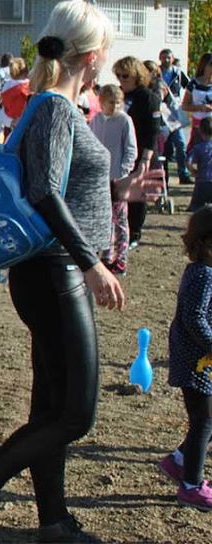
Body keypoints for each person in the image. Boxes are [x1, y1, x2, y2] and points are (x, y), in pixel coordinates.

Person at [0, 0, 128, 544]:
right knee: (75, 413)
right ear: (92, 56)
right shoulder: (54, 109)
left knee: (51, 406)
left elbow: (56, 185)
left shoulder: (54, 107)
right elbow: (45, 190)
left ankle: (53, 520)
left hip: (53, 269)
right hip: (55, 270)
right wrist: (91, 263)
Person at [162, 205, 212, 512]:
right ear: (207, 243)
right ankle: (191, 486)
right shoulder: (203, 275)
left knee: (206, 419)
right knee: (203, 421)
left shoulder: (204, 272)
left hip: (201, 361)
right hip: (195, 362)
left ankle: (179, 461)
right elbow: (194, 317)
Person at [89, 84, 138, 276]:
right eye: (111, 102)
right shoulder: (96, 120)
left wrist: (123, 172)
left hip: (117, 178)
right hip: (100, 178)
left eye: (118, 102)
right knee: (104, 218)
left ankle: (121, 258)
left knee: (120, 220)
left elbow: (131, 149)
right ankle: (107, 255)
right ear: (101, 102)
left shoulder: (125, 120)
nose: (115, 106)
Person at [115, 56, 160, 251]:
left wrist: (145, 159)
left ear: (136, 75)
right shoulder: (119, 95)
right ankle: (119, 230)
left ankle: (135, 232)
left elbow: (153, 131)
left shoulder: (148, 97)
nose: (121, 80)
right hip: (120, 151)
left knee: (137, 194)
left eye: (125, 76)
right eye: (118, 75)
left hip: (141, 151)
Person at [162, 49, 193, 185]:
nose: (166, 60)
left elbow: (190, 87)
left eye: (168, 57)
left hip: (174, 112)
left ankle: (183, 174)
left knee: (180, 144)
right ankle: (163, 177)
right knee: (164, 147)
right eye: (163, 57)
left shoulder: (178, 73)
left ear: (173, 58)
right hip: (162, 111)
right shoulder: (157, 73)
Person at [0, 57, 31, 136]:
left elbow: (2, 111)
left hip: (9, 126)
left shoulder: (6, 87)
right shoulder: (30, 86)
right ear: (26, 71)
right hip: (27, 126)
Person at [190, 118, 212, 209]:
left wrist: (193, 171)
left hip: (202, 182)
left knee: (196, 207)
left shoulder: (198, 147)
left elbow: (188, 162)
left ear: (200, 130)